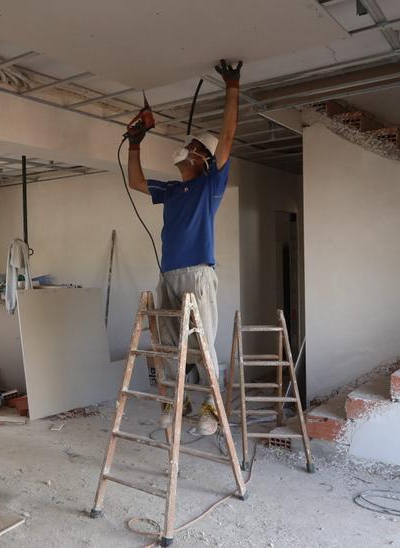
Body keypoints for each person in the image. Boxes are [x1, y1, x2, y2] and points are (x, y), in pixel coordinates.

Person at [126, 59, 242, 435]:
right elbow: (137, 182)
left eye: (192, 146)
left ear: (204, 160)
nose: (185, 147)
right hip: (169, 275)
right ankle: (177, 399)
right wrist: (135, 144)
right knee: (167, 344)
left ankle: (209, 404)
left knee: (202, 340)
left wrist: (232, 87)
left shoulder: (210, 187)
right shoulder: (173, 191)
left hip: (197, 271)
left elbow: (225, 140)